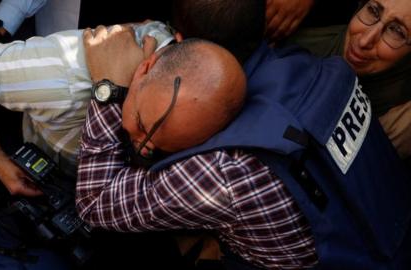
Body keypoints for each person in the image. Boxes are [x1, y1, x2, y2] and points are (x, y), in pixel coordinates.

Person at [76, 0, 411, 269]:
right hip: (391, 228)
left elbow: (94, 204)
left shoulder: (225, 171)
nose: (367, 38)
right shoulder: (316, 67)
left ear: (179, 37)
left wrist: (109, 90)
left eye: (397, 31)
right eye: (373, 11)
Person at [0, 21, 176, 196]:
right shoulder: (64, 73)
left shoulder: (163, 39)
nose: (146, 148)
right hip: (32, 160)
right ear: (147, 67)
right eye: (142, 123)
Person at [282, 0, 411, 160]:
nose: (365, 41)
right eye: (373, 11)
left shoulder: (399, 125)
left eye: (396, 31)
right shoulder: (299, 26)